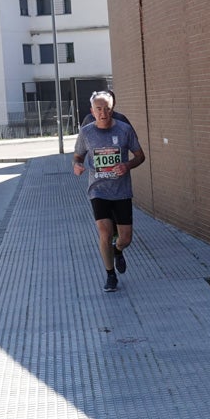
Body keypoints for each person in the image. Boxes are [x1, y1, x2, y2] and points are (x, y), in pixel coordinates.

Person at [73, 90, 146, 292]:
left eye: (107, 109)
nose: (103, 113)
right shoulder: (86, 132)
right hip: (98, 190)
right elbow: (78, 156)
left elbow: (140, 156)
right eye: (99, 109)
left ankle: (118, 250)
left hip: (121, 191)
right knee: (104, 232)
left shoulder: (124, 130)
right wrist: (76, 165)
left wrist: (127, 166)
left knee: (126, 238)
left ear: (112, 109)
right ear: (92, 111)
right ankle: (110, 275)